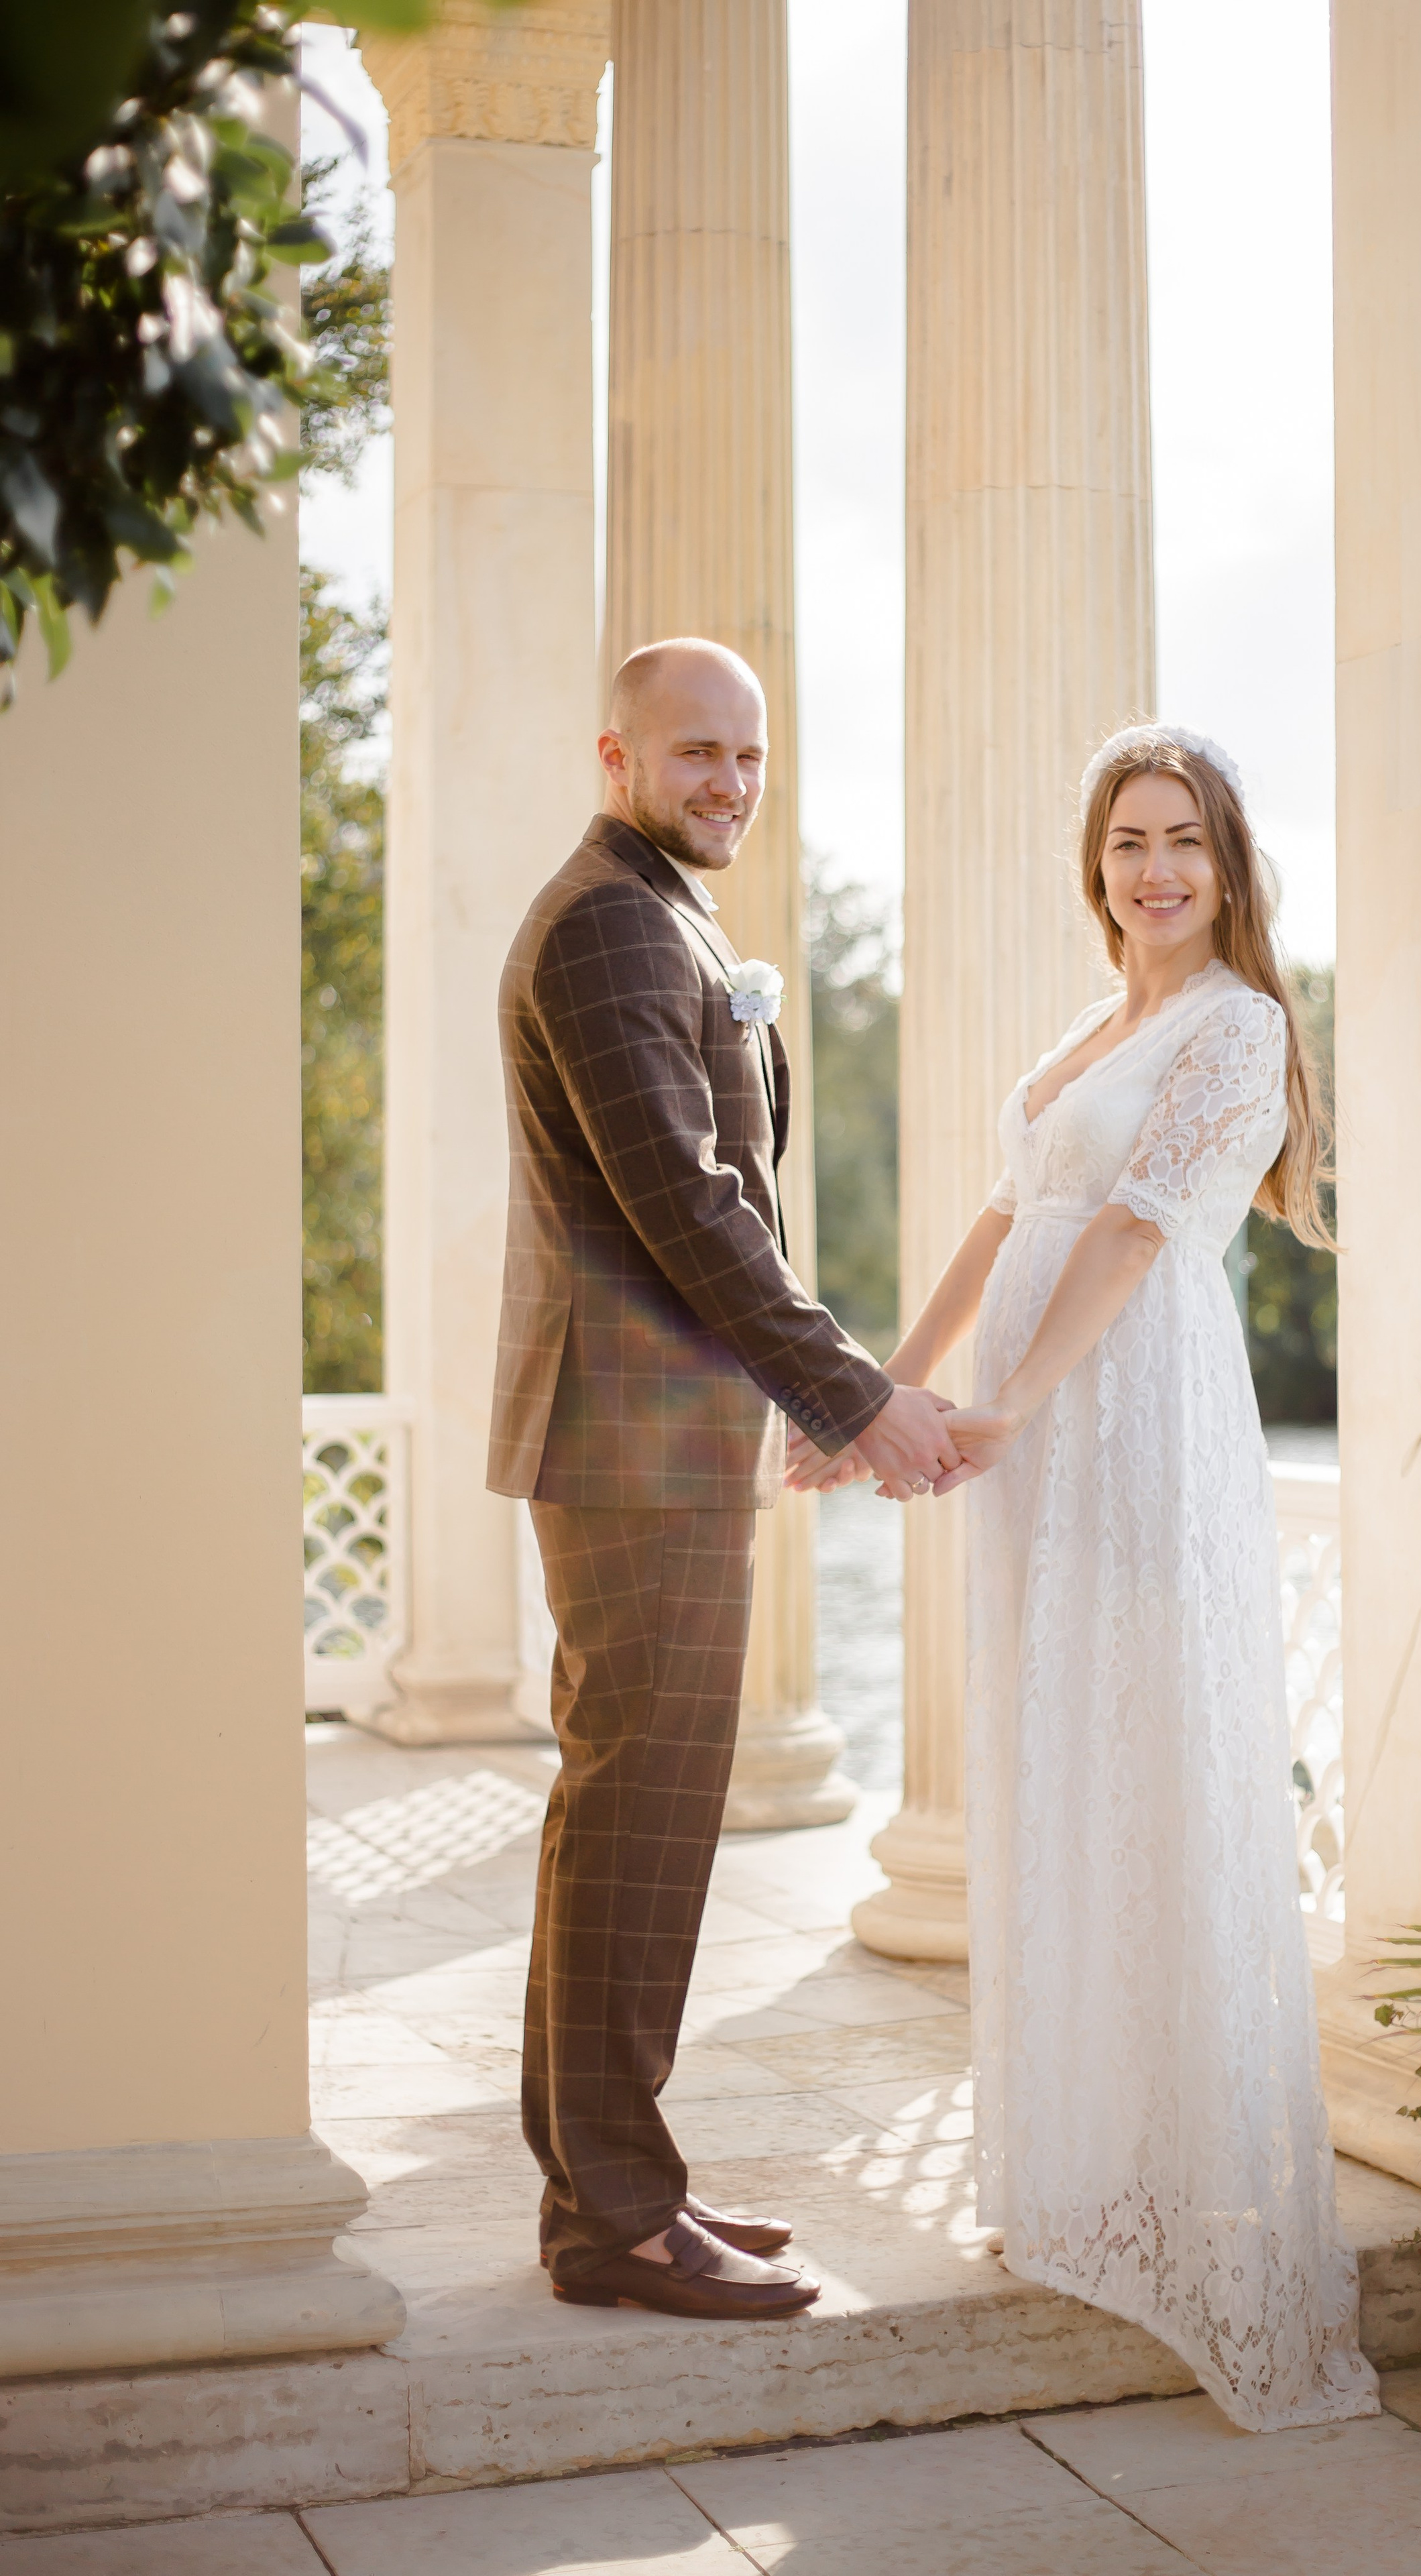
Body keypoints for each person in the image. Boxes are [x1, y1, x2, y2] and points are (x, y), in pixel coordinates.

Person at [789, 724, 1378, 2428]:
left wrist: (1002, 1406)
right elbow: (998, 1223)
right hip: (1026, 1421)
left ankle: (1201, 2200)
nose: (1154, 869)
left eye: (1183, 839)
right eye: (1127, 840)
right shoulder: (1082, 1032)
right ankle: (1084, 2167)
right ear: (1093, 864)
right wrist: (876, 1393)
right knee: (1054, 1769)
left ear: (1228, 861)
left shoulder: (1239, 1026)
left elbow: (1128, 1231)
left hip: (1125, 1413)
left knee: (1153, 1762)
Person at [488, 636, 960, 2321]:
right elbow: (689, 1204)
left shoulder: (653, 910)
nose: (727, 784)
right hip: (632, 1447)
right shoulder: (615, 919)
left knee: (620, 1813)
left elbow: (707, 1205)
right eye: (695, 753)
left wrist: (800, 1404)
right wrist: (857, 1392)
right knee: (638, 1819)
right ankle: (616, 2217)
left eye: (747, 759)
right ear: (614, 754)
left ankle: (610, 2187)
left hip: (653, 1435)